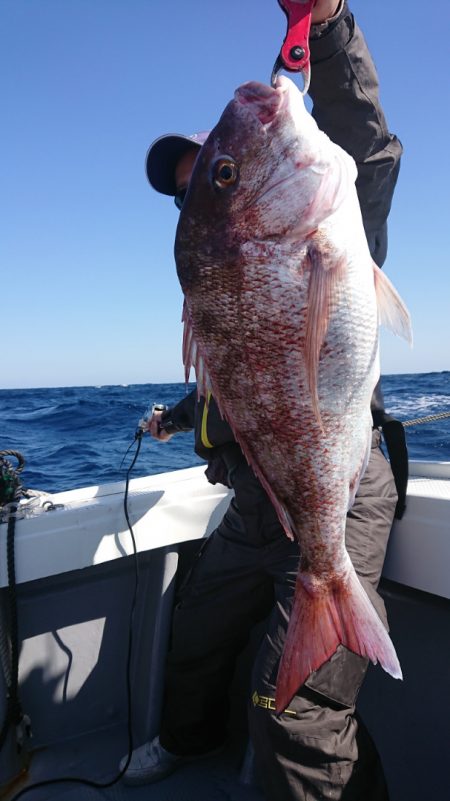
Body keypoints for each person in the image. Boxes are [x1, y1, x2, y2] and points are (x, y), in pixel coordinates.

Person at [121, 2, 405, 799]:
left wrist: (330, 24)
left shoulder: (332, 225)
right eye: (192, 191)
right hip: (258, 492)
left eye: (213, 168)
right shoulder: (237, 279)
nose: (202, 189)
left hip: (337, 493)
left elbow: (371, 150)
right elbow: (234, 385)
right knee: (197, 629)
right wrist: (177, 419)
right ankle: (187, 739)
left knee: (296, 719)